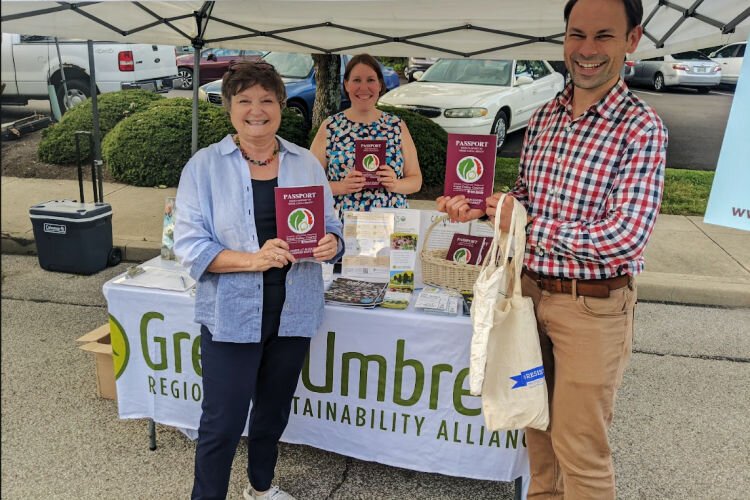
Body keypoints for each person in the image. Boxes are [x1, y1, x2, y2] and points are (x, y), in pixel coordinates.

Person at [438, 0, 667, 497]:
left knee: (580, 450)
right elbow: (525, 195)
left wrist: (527, 226)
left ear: (632, 41)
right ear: (564, 38)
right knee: (537, 435)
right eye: (576, 34)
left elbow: (624, 236)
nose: (586, 50)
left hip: (592, 306)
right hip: (527, 296)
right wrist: (483, 206)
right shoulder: (545, 117)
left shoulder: (641, 127)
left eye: (603, 36)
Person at [174, 61, 344, 500]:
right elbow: (191, 247)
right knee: (222, 422)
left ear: (281, 106)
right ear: (229, 106)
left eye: (267, 100)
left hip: (294, 311)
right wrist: (254, 260)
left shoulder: (305, 162)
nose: (256, 109)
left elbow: (331, 225)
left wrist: (332, 243)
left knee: (271, 413)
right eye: (245, 100)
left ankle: (261, 488)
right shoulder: (204, 166)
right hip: (232, 314)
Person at [310, 53, 423, 219]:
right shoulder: (330, 127)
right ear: (346, 84)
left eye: (370, 80)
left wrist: (395, 184)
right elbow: (309, 184)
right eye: (356, 80)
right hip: (342, 225)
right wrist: (342, 187)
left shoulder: (396, 126)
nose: (364, 88)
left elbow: (416, 181)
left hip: (390, 224)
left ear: (380, 85)